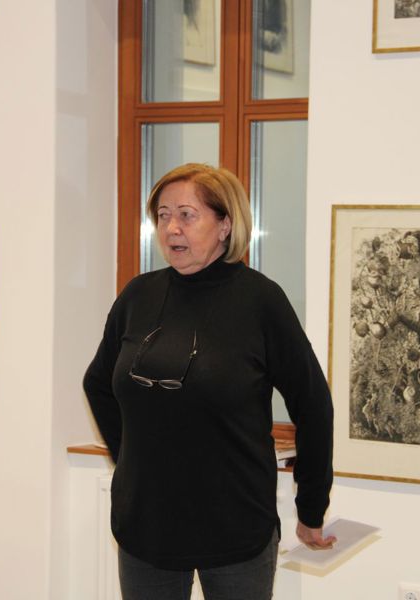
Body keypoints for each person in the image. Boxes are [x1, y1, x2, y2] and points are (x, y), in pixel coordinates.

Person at [83, 163, 334, 600]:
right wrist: (132, 462)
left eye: (186, 215)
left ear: (225, 225)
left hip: (236, 527)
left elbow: (312, 404)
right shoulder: (138, 295)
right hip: (146, 526)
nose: (171, 228)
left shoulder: (261, 300)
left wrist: (311, 506)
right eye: (163, 216)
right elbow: (98, 383)